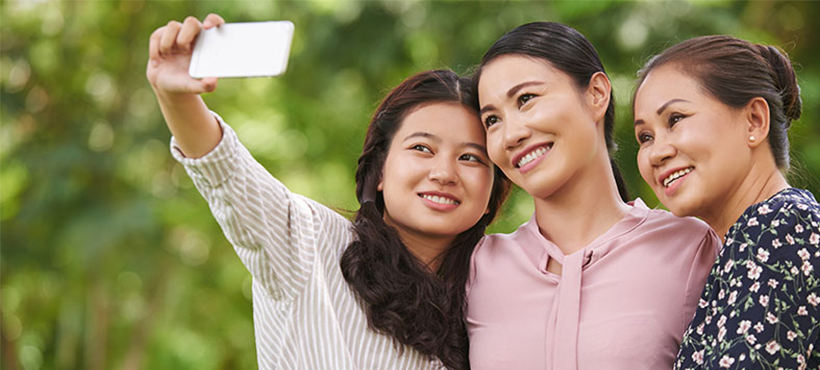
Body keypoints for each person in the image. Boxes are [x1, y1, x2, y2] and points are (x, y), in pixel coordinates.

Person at [146, 14, 510, 370]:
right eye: (421, 149)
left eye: (470, 158)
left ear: (494, 186)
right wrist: (177, 99)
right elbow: (229, 175)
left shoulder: (501, 298)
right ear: (380, 169)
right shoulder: (311, 246)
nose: (444, 173)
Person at [464, 22, 721, 370]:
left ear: (597, 94)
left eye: (526, 99)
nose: (510, 135)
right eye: (492, 120)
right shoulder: (479, 267)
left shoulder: (689, 247)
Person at [633, 35, 820, 370]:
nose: (656, 152)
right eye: (645, 137)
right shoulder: (738, 247)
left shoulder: (783, 227)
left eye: (675, 119)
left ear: (754, 121)